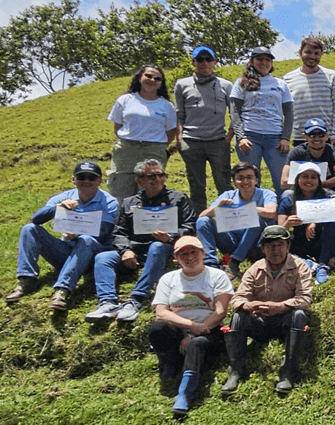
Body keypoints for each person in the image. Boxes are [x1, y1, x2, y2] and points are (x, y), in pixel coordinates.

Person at [88, 159, 196, 322]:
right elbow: (119, 232)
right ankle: (107, 302)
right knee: (102, 258)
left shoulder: (178, 199)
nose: (158, 179)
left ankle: (137, 299)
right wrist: (125, 250)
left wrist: (171, 237)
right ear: (139, 181)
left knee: (157, 246)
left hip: (164, 248)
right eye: (151, 176)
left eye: (161, 175)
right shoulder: (129, 203)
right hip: (134, 250)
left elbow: (191, 225)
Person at [8, 162, 118, 309]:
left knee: (86, 239)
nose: (86, 181)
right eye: (81, 177)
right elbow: (36, 219)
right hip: (65, 251)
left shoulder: (109, 201)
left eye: (91, 177)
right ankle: (27, 279)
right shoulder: (65, 197)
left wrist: (78, 234)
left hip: (92, 255)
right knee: (29, 229)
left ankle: (62, 289)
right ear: (73, 179)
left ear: (99, 181)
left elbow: (104, 232)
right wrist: (57, 207)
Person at [221, 225, 313, 394]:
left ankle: (288, 373)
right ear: (263, 249)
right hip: (260, 320)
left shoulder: (300, 267)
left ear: (288, 246)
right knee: (238, 317)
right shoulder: (255, 268)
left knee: (299, 315)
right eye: (270, 246)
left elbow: (305, 299)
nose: (275, 250)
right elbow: (237, 298)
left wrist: (279, 307)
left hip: (285, 320)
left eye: (280, 245)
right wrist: (249, 305)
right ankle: (235, 370)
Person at [147, 236, 231, 415]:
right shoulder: (168, 278)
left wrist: (195, 333)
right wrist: (191, 326)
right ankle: (170, 363)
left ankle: (184, 393)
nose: (189, 256)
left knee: (196, 343)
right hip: (180, 328)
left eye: (194, 252)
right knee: (157, 329)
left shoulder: (217, 275)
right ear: (176, 258)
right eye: (183, 253)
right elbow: (161, 312)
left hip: (209, 330)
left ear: (203, 253)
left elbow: (220, 311)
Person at [174, 46, 234, 211]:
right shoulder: (181, 85)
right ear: (194, 62)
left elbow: (235, 114)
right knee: (196, 185)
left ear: (215, 62)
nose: (204, 63)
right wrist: (179, 138)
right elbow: (179, 114)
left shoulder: (226, 85)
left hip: (217, 141)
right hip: (191, 142)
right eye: (200, 59)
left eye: (208, 59)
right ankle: (199, 220)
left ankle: (228, 220)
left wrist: (229, 136)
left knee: (224, 183)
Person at [195, 162, 278, 279]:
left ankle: (234, 262)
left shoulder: (266, 194)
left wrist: (248, 209)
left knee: (256, 219)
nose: (245, 182)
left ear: (256, 180)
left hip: (256, 244)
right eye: (240, 178)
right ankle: (210, 264)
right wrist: (218, 207)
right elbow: (202, 217)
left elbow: (271, 212)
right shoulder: (228, 195)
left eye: (249, 177)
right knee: (203, 221)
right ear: (234, 181)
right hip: (232, 240)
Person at [108, 64, 178, 200]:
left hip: (154, 150)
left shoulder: (167, 106)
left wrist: (158, 145)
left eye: (157, 78)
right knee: (121, 187)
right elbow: (117, 127)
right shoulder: (125, 100)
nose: (152, 80)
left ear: (161, 83)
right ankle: (123, 219)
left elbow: (171, 131)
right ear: (140, 77)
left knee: (151, 188)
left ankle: (149, 219)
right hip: (126, 149)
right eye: (148, 76)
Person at [231, 47, 294, 191]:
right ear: (252, 61)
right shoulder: (241, 82)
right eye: (259, 59)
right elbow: (234, 112)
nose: (264, 62)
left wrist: (285, 138)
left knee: (282, 181)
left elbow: (289, 113)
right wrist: (241, 137)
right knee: (250, 181)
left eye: (267, 59)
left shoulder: (280, 84)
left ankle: (282, 213)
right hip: (250, 137)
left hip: (275, 138)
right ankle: (254, 212)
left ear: (272, 63)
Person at [276, 163, 335, 283]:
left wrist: (314, 221)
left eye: (313, 177)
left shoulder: (328, 194)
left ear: (319, 180)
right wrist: (287, 224)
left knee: (334, 222)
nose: (309, 180)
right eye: (305, 176)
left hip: (323, 238)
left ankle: (322, 265)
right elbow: (279, 230)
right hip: (299, 240)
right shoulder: (289, 197)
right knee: (276, 243)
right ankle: (307, 263)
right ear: (297, 179)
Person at [280, 118, 335, 223]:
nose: (317, 138)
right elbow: (284, 181)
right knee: (287, 194)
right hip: (301, 190)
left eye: (321, 135)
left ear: (327, 136)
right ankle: (286, 227)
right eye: (312, 135)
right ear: (304, 137)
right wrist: (305, 186)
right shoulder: (297, 152)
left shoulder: (333, 152)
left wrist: (320, 185)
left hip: (325, 190)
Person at [284, 37, 335, 149]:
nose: (312, 56)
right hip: (300, 137)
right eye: (308, 52)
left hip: (325, 137)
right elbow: (285, 111)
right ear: (300, 52)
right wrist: (285, 137)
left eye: (316, 53)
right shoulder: (288, 79)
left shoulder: (332, 76)